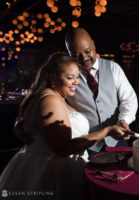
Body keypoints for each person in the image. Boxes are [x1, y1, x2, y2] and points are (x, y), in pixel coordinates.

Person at [0, 52, 131, 199]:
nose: (76, 82)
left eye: (77, 77)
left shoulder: (57, 97)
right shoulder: (50, 100)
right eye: (70, 77)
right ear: (52, 76)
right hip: (52, 173)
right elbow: (64, 148)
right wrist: (106, 131)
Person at [65, 28, 138, 154]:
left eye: (88, 51)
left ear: (93, 44)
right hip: (86, 145)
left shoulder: (113, 68)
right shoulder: (67, 76)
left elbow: (129, 99)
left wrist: (123, 120)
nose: (84, 58)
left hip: (117, 141)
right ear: (69, 54)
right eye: (77, 55)